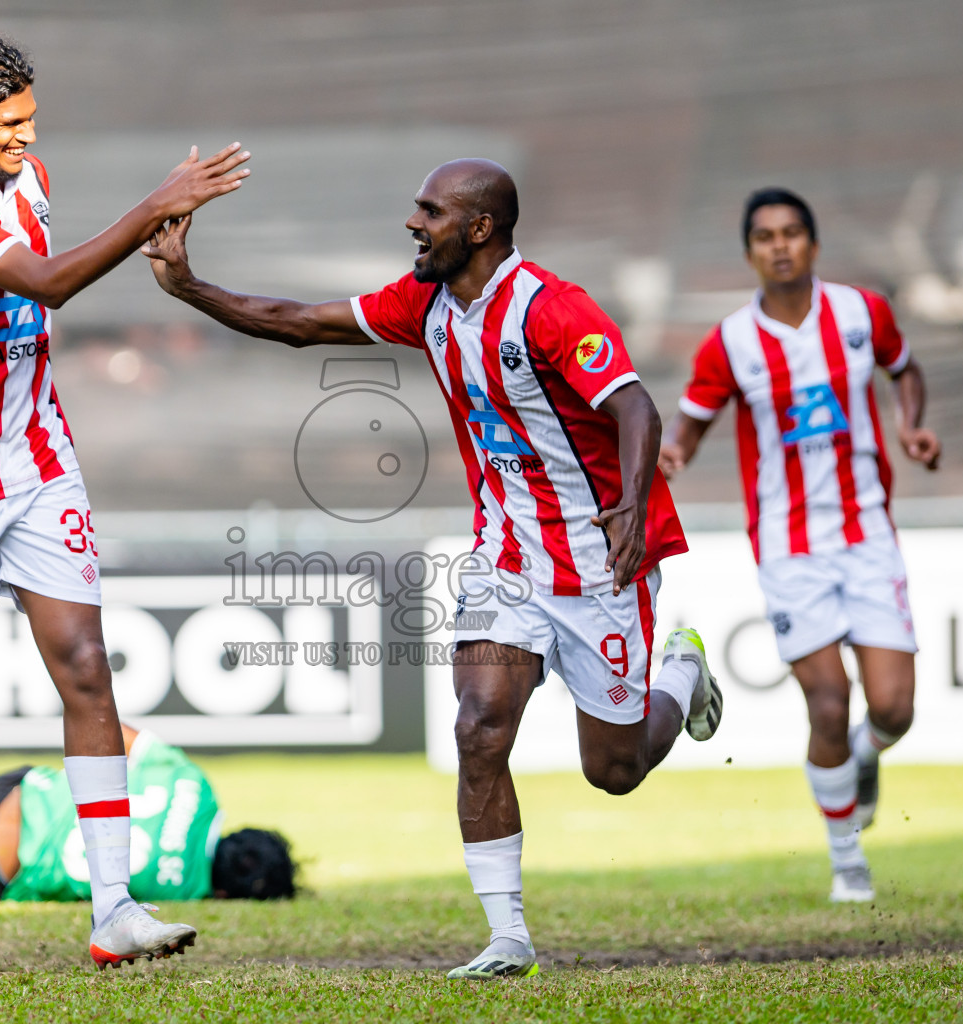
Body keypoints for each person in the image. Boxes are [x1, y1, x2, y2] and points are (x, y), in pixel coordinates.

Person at [141, 158, 724, 980]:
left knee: (616, 771)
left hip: (601, 560)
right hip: (503, 560)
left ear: (480, 228)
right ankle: (507, 938)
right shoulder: (425, 303)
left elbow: (634, 404)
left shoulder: (555, 309)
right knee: (479, 725)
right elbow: (299, 322)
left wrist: (629, 504)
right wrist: (191, 288)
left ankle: (682, 673)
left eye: (430, 211)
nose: (413, 224)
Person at [0, 30, 251, 974]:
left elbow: (41, 295)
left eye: (33, 118)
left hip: (39, 462)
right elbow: (48, 281)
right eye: (8, 124)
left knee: (85, 667)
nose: (27, 137)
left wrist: (160, 236)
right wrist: (153, 204)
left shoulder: (25, 180)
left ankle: (114, 908)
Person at [659, 187, 942, 903]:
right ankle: (848, 862)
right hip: (787, 546)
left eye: (791, 233)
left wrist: (912, 425)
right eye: (764, 236)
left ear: (813, 244)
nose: (779, 246)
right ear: (750, 252)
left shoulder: (861, 312)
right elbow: (688, 425)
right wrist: (668, 457)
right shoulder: (729, 342)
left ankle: (864, 756)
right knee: (825, 702)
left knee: (894, 709)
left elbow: (905, 369)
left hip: (867, 530)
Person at [0, 725, 297, 907]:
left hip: (9, 790)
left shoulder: (196, 784)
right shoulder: (184, 895)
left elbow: (107, 728)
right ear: (225, 895)